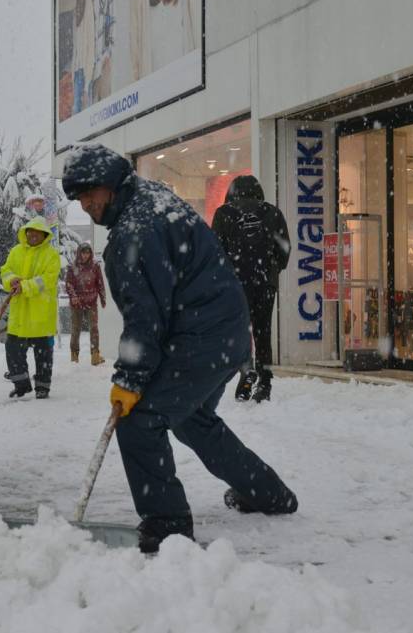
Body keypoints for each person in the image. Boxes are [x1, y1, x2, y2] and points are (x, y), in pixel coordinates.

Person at [62, 143, 298, 554]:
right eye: (79, 197)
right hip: (227, 332)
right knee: (192, 419)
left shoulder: (135, 230)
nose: (85, 205)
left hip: (204, 337)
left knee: (139, 421)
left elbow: (145, 318)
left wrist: (130, 380)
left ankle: (167, 522)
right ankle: (269, 493)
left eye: (89, 194)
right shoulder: (152, 200)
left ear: (111, 185)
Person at [211, 175, 291, 402]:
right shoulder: (273, 213)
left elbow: (215, 251)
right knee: (263, 331)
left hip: (235, 284)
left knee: (240, 330)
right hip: (265, 281)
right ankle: (264, 381)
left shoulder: (224, 213)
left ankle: (246, 369)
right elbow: (284, 250)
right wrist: (272, 269)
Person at [0, 216, 61, 399]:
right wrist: (11, 280)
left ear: (44, 235)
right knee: (13, 350)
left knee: (43, 355)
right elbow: (6, 270)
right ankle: (21, 384)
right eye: (29, 232)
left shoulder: (52, 255)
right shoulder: (16, 251)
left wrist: (24, 286)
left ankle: (42, 387)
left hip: (40, 314)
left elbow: (47, 280)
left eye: (36, 232)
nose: (32, 235)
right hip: (19, 315)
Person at [64, 242, 106, 365]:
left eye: (88, 252)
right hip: (76, 304)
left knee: (94, 329)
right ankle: (74, 355)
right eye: (83, 252)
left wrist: (103, 298)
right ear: (79, 253)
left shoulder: (95, 266)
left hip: (91, 302)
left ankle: (95, 355)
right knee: (75, 329)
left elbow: (100, 283)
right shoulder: (73, 267)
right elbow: (69, 284)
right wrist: (73, 297)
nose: (85, 255)